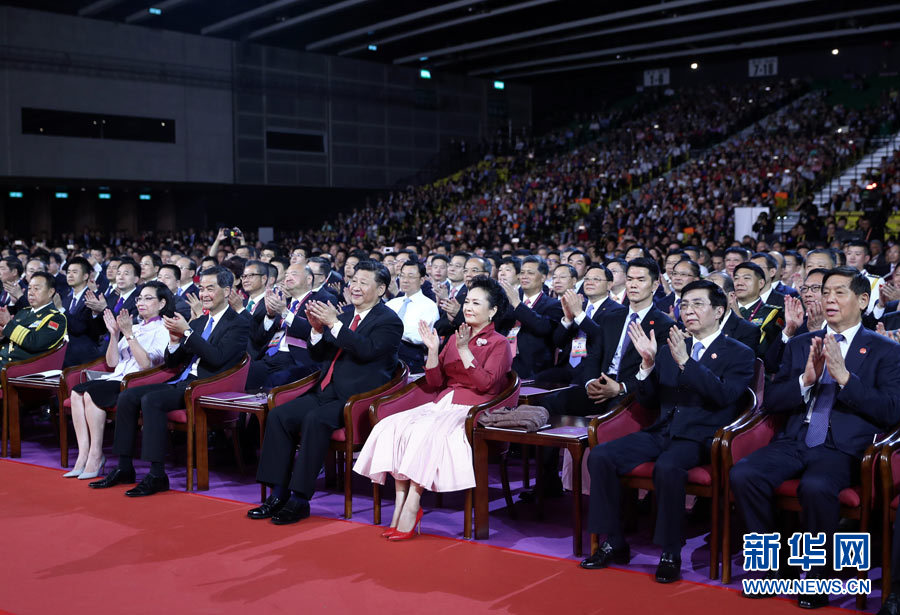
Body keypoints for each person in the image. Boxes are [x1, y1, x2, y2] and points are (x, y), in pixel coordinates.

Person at [730, 267, 900, 609]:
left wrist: (845, 379)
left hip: (843, 448)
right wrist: (805, 381)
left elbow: (891, 412)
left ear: (863, 300)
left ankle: (818, 578)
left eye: (840, 292)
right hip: (794, 439)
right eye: (826, 293)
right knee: (744, 474)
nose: (830, 300)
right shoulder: (799, 345)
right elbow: (772, 401)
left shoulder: (885, 350)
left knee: (817, 486)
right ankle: (769, 568)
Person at [581, 280, 754, 582]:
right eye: (684, 305)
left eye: (697, 304)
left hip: (701, 436)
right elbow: (648, 400)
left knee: (669, 467)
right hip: (661, 430)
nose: (688, 311)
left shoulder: (738, 352)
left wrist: (688, 363)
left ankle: (670, 550)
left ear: (719, 310)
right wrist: (647, 365)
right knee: (601, 456)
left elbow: (725, 396)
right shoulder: (670, 347)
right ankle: (614, 541)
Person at [353, 276, 512, 539]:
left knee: (427, 433)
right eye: (467, 301)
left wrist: (464, 351)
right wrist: (431, 350)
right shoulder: (453, 337)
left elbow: (486, 385)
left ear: (492, 311)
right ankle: (400, 501)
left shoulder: (499, 343)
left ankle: (413, 503)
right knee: (391, 426)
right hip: (442, 402)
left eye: (476, 303)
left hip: (473, 409)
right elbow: (434, 382)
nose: (468, 307)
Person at [247, 260, 402, 525]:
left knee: (314, 420)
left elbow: (365, 350)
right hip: (325, 390)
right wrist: (318, 331)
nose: (355, 287)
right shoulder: (342, 316)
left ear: (381, 289)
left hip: (356, 398)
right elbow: (319, 355)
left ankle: (300, 499)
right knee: (279, 416)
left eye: (364, 283)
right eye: (353, 281)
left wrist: (333, 324)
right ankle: (278, 493)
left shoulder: (389, 321)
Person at [88, 266, 250, 496]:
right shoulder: (200, 322)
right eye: (201, 288)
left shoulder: (238, 323)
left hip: (205, 386)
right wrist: (175, 340)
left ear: (226, 290)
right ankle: (124, 467)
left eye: (210, 289)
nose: (204, 294)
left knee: (152, 400)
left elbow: (217, 358)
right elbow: (174, 360)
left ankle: (156, 475)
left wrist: (187, 333)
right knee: (128, 395)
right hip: (181, 382)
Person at [63, 282, 173, 480]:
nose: (141, 302)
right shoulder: (134, 326)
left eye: (149, 298)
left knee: (90, 394)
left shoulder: (164, 329)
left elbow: (147, 364)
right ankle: (84, 454)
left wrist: (129, 334)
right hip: (116, 377)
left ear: (162, 303)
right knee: (76, 391)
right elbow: (112, 362)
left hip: (135, 382)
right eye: (139, 298)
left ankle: (96, 455)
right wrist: (114, 334)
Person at [0, 271, 67, 366]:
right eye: (29, 288)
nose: (30, 293)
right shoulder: (24, 311)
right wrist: (2, 335)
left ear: (50, 292)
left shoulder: (56, 318)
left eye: (36, 289)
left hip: (20, 369)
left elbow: (34, 343)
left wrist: (8, 324)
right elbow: (10, 340)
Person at [385, 261, 439, 373]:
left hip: (411, 356)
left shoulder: (429, 306)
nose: (404, 280)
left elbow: (420, 337)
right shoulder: (392, 304)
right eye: (402, 275)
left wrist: (391, 331)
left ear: (422, 280)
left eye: (411, 276)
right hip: (385, 354)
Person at [61, 256, 103, 367]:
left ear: (85, 276)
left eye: (74, 272)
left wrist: (60, 309)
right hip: (64, 352)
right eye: (68, 272)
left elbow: (79, 327)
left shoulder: (93, 298)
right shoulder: (66, 298)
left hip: (84, 356)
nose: (70, 275)